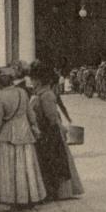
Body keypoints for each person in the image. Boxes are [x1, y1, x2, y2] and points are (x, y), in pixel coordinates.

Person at [0, 66, 47, 212]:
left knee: (10, 168)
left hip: (8, 134)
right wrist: (34, 127)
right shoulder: (22, 92)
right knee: (27, 166)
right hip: (25, 132)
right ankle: (31, 197)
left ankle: (13, 200)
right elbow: (30, 114)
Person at [27, 62, 71, 201]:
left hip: (49, 133)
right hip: (45, 132)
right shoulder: (41, 93)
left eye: (33, 79)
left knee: (51, 162)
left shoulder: (46, 95)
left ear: (39, 81)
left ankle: (52, 192)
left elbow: (52, 117)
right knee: (47, 162)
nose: (31, 82)